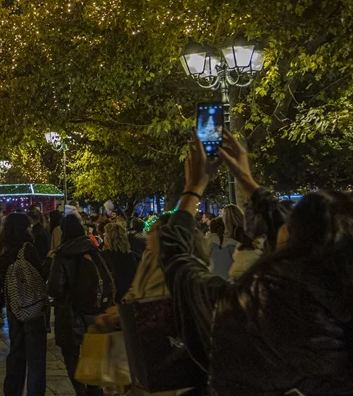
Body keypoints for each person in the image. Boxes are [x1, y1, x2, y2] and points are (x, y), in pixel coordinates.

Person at [161, 130, 353, 394]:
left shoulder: (246, 309)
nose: (283, 221)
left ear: (293, 242)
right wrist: (247, 181)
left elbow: (177, 259)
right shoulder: (337, 317)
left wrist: (193, 190)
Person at [47, 213, 107, 396]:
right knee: (92, 355)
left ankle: (80, 390)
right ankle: (95, 391)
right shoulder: (93, 249)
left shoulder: (62, 254)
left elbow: (55, 289)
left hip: (69, 311)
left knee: (71, 355)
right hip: (94, 311)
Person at [0, 212, 46, 396]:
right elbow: (39, 275)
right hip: (32, 306)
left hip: (13, 306)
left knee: (16, 352)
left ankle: (12, 391)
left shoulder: (2, 250)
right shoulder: (27, 249)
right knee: (36, 357)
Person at [100, 222, 138, 304]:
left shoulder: (102, 257)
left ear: (110, 238)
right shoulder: (133, 256)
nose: (103, 235)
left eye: (105, 233)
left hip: (111, 300)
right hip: (130, 299)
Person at [206, 216, 236, 280]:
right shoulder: (233, 243)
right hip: (229, 279)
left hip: (211, 279)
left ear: (210, 228)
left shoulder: (206, 243)